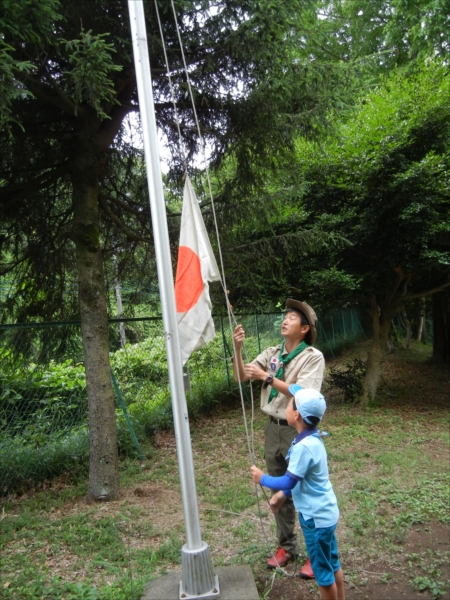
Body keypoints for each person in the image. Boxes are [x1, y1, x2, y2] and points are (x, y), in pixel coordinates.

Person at [233, 299, 325, 574]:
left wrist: (269, 378)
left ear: (305, 328)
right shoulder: (272, 354)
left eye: (292, 318)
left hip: (297, 428)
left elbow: (303, 394)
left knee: (304, 490)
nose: (285, 320)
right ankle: (286, 546)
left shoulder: (312, 356)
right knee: (279, 491)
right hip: (272, 427)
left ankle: (316, 554)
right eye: (284, 316)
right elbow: (241, 376)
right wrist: (237, 349)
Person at [251, 387, 345, 600]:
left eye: (290, 401)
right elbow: (297, 479)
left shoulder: (303, 446)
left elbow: (288, 479)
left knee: (323, 574)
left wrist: (262, 478)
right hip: (326, 513)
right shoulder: (312, 438)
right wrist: (283, 494)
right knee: (332, 563)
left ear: (296, 415)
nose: (287, 403)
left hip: (315, 520)